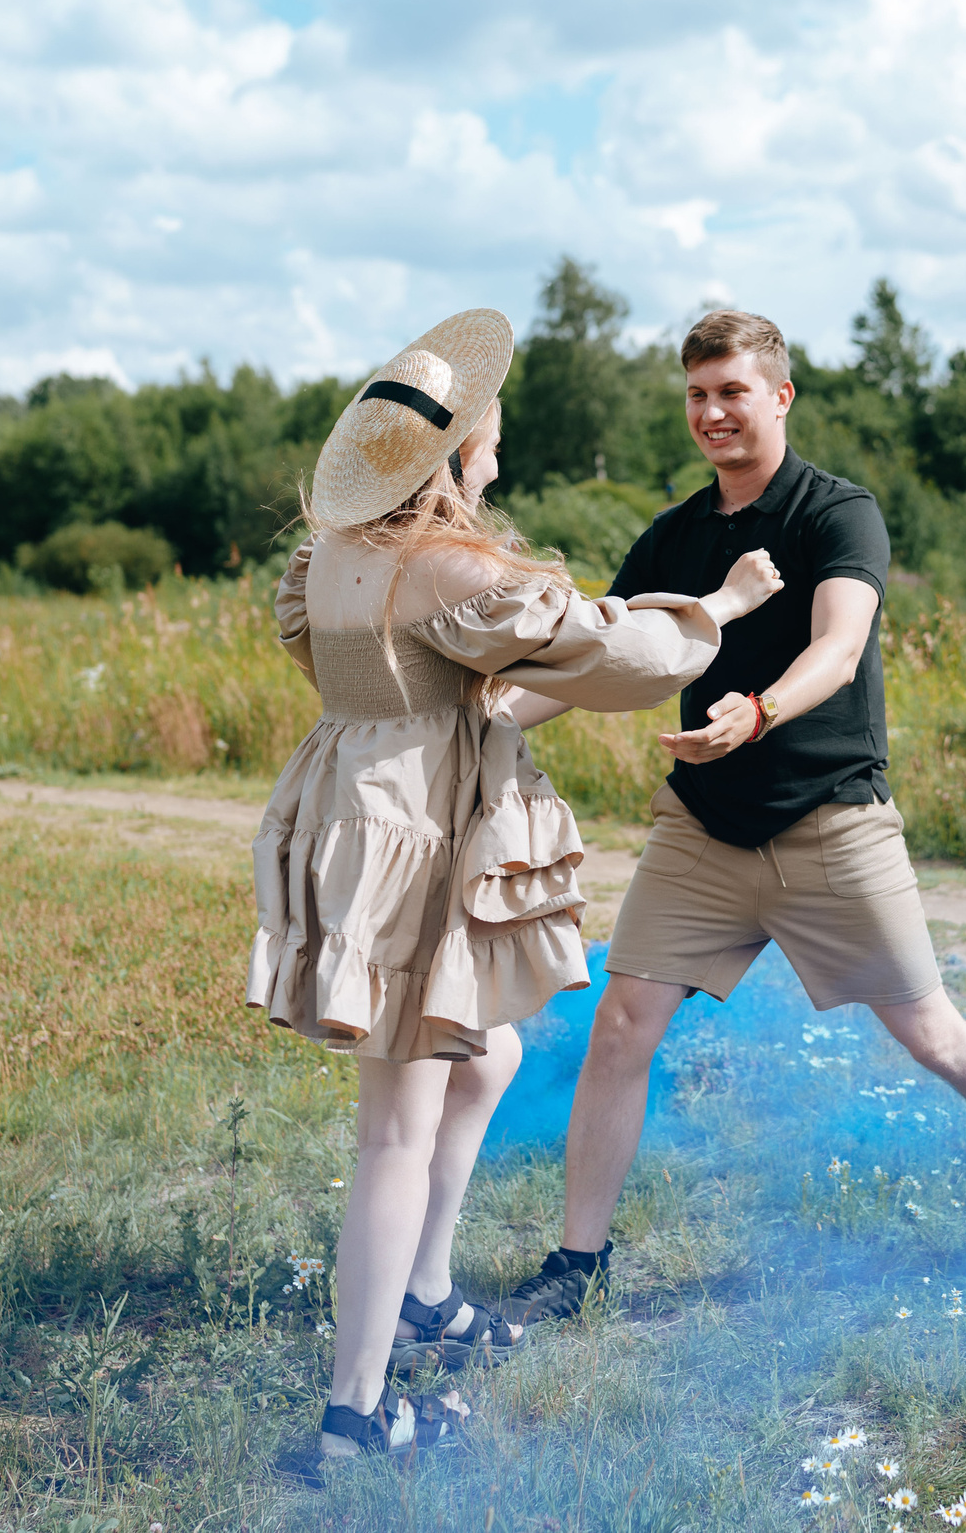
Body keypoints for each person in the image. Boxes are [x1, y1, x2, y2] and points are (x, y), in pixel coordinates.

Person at [246, 309, 783, 1464]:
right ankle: (355, 1413)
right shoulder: (451, 566)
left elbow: (343, 657)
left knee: (483, 1050)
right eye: (488, 437)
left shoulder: (332, 559)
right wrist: (722, 611)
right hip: (410, 837)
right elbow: (611, 654)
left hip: (351, 804)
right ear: (456, 457)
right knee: (394, 1128)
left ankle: (427, 1291)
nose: (497, 452)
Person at [501, 309, 966, 1327]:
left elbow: (837, 646)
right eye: (696, 395)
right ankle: (578, 1263)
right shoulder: (678, 534)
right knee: (620, 1024)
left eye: (731, 391)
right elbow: (604, 662)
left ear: (779, 395)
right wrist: (481, 722)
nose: (711, 412)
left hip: (830, 821)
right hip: (702, 829)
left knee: (932, 1035)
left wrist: (760, 708)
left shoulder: (839, 512)